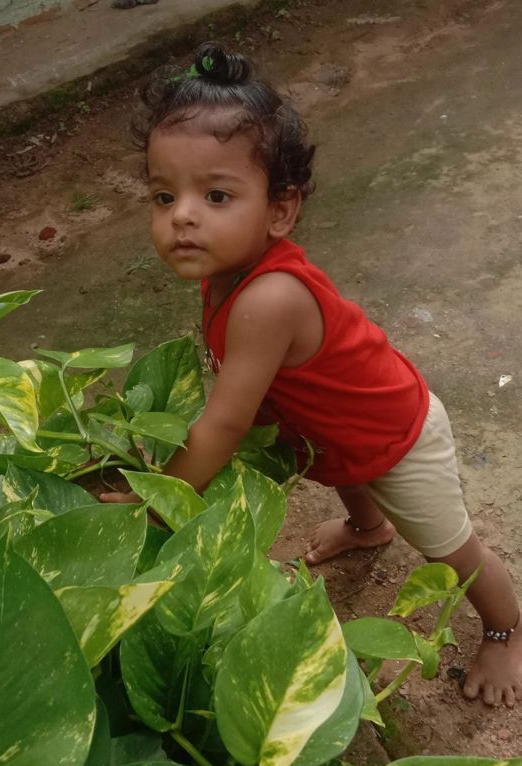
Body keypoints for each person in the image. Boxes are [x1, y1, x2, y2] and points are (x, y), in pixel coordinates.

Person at [101, 42, 521, 708]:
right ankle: (368, 528)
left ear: (281, 210)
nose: (182, 214)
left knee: (450, 549)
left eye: (216, 194)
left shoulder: (269, 298)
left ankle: (506, 627)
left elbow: (224, 424)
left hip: (397, 435)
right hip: (335, 427)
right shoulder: (225, 273)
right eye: (163, 195)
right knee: (343, 468)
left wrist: (158, 500)